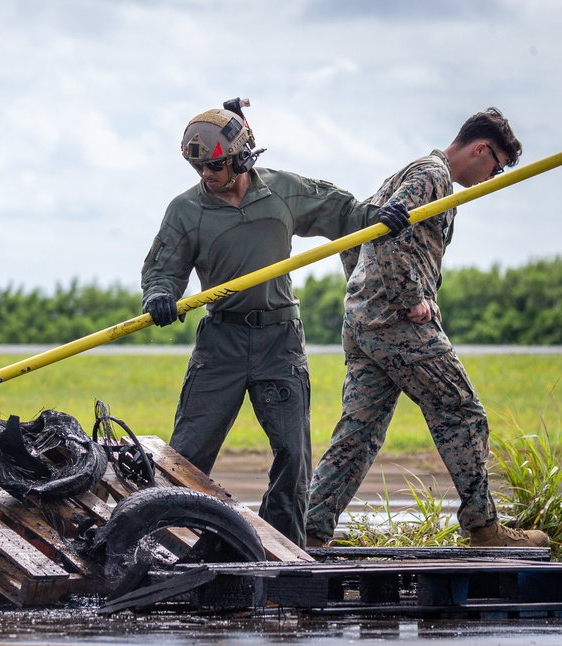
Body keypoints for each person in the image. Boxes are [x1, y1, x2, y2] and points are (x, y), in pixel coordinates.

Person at [140, 98, 410, 548]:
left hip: (279, 341)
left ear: (242, 157)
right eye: (199, 170)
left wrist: (378, 219)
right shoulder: (186, 210)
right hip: (221, 341)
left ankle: (280, 546)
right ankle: (159, 543)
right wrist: (160, 296)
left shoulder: (283, 191)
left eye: (215, 167)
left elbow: (342, 213)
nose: (207, 176)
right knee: (185, 454)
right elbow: (163, 269)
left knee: (293, 452)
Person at [305, 108, 548, 549]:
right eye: (495, 166)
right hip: (396, 323)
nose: (493, 177)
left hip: (365, 322)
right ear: (479, 148)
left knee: (359, 434)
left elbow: (360, 231)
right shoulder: (432, 176)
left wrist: (361, 294)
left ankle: (311, 529)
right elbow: (385, 233)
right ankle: (485, 527)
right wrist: (408, 297)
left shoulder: (413, 172)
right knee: (462, 411)